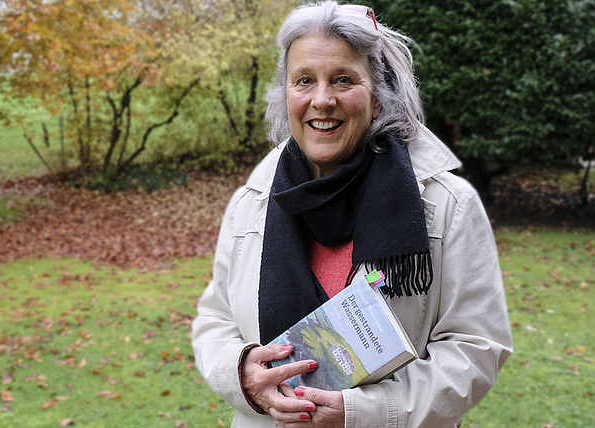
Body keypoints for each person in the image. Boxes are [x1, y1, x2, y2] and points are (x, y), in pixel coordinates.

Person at [191, 2, 513, 427]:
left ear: (379, 98)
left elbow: (476, 348)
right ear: (286, 95)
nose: (322, 100)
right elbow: (216, 319)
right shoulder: (252, 201)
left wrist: (363, 413)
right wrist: (242, 371)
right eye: (304, 80)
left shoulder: (448, 206)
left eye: (343, 80)